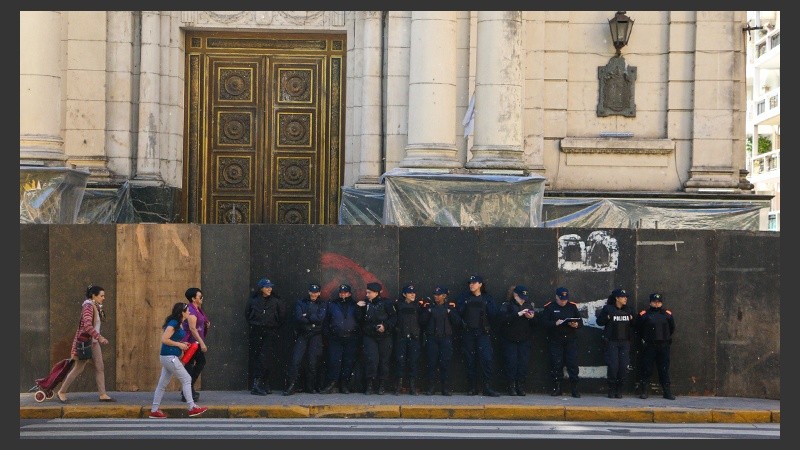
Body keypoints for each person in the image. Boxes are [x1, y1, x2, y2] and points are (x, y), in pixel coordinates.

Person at [148, 302, 208, 418]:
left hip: (168, 357)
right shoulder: (174, 323)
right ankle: (192, 407)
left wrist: (181, 343)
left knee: (162, 384)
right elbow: (164, 339)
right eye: (187, 311)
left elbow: (172, 339)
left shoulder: (178, 323)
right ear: (182, 312)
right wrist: (179, 345)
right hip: (170, 357)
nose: (189, 312)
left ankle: (154, 410)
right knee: (187, 379)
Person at [57, 285, 115, 403]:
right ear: (94, 295)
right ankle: (61, 391)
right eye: (101, 295)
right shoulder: (88, 306)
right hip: (85, 343)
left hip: (93, 343)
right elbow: (87, 325)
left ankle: (102, 394)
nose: (104, 298)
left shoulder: (95, 306)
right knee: (78, 368)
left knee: (100, 367)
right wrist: (100, 337)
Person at [456, 274, 500, 397]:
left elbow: (493, 314)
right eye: (470, 283)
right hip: (468, 333)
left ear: (480, 284)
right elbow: (459, 313)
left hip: (483, 333)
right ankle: (472, 388)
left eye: (474, 283)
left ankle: (487, 387)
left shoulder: (487, 298)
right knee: (470, 361)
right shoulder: (463, 297)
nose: (471, 285)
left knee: (486, 360)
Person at [283, 283, 327, 395]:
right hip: (303, 334)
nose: (314, 294)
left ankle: (310, 387)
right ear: (308, 292)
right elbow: (298, 317)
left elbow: (320, 318)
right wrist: (312, 321)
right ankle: (291, 386)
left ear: (319, 293)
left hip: (316, 335)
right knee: (295, 360)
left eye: (316, 292)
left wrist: (306, 316)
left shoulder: (323, 303)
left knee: (313, 362)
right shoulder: (300, 302)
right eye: (312, 292)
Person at [245, 277, 286, 395]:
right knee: (258, 357)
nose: (269, 289)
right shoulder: (253, 300)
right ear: (261, 288)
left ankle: (262, 383)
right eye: (267, 287)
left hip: (270, 331)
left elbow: (281, 316)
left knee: (265, 358)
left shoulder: (276, 301)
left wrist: (272, 326)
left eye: (270, 287)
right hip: (257, 331)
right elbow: (247, 314)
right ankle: (258, 384)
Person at [540, 286, 584, 398]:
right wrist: (555, 323)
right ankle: (557, 387)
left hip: (570, 340)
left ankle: (574, 388)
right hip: (556, 339)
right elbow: (543, 323)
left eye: (565, 299)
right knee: (556, 364)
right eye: (561, 299)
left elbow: (580, 322)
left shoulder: (572, 307)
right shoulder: (550, 307)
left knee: (572, 364)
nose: (563, 301)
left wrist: (576, 324)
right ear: (556, 297)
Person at [420, 285, 462, 396]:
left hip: (445, 338)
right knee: (431, 364)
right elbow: (422, 321)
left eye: (438, 295)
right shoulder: (429, 306)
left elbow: (457, 322)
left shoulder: (450, 307)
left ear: (444, 296)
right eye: (435, 295)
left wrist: (449, 312)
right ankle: (431, 388)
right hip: (432, 338)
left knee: (445, 364)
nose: (436, 297)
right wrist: (428, 311)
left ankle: (446, 388)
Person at [596, 288, 636, 398]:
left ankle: (619, 389)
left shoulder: (629, 310)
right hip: (612, 342)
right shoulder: (608, 309)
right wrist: (607, 317)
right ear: (617, 298)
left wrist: (632, 319)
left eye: (626, 297)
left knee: (623, 366)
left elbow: (635, 325)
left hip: (625, 343)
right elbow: (599, 322)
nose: (625, 299)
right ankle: (611, 388)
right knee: (613, 366)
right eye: (623, 297)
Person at [356, 282, 396, 395]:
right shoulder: (364, 304)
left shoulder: (386, 303)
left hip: (385, 336)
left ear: (376, 293)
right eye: (367, 292)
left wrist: (385, 326)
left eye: (369, 292)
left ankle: (382, 385)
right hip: (370, 336)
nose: (367, 294)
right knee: (371, 360)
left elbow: (393, 318)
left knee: (384, 361)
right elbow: (360, 320)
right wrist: (358, 308)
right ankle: (369, 385)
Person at [321, 284, 361, 394]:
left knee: (348, 362)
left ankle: (344, 385)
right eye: (341, 292)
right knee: (334, 361)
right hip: (335, 338)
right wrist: (328, 334)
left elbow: (360, 320)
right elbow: (326, 321)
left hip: (351, 338)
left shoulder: (354, 304)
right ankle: (332, 383)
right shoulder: (332, 304)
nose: (343, 294)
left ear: (350, 293)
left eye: (345, 292)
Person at [497, 285, 536, 396]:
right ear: (515, 295)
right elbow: (502, 319)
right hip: (510, 339)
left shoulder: (528, 305)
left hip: (524, 339)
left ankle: (520, 386)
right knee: (511, 363)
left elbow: (535, 323)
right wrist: (518, 314)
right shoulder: (507, 305)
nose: (523, 299)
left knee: (523, 364)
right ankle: (511, 386)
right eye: (521, 297)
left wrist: (531, 318)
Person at [637, 292, 676, 400]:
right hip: (650, 345)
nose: (657, 304)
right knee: (646, 368)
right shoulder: (644, 315)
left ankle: (667, 392)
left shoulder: (667, 314)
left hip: (663, 345)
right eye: (654, 302)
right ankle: (644, 391)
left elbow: (671, 328)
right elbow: (638, 329)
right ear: (650, 302)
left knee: (664, 369)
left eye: (659, 302)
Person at [181, 287, 210, 403]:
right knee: (191, 365)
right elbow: (192, 329)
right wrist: (202, 343)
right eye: (200, 296)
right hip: (192, 343)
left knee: (195, 364)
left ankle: (188, 389)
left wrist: (206, 324)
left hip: (195, 342)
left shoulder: (198, 309)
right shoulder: (191, 311)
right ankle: (187, 390)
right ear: (193, 299)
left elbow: (200, 322)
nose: (202, 298)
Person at [393, 283, 423, 395]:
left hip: (414, 337)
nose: (413, 295)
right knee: (400, 362)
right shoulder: (398, 305)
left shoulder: (418, 306)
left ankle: (412, 386)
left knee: (413, 362)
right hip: (401, 337)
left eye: (414, 293)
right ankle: (399, 386)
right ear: (404, 294)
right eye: (410, 293)